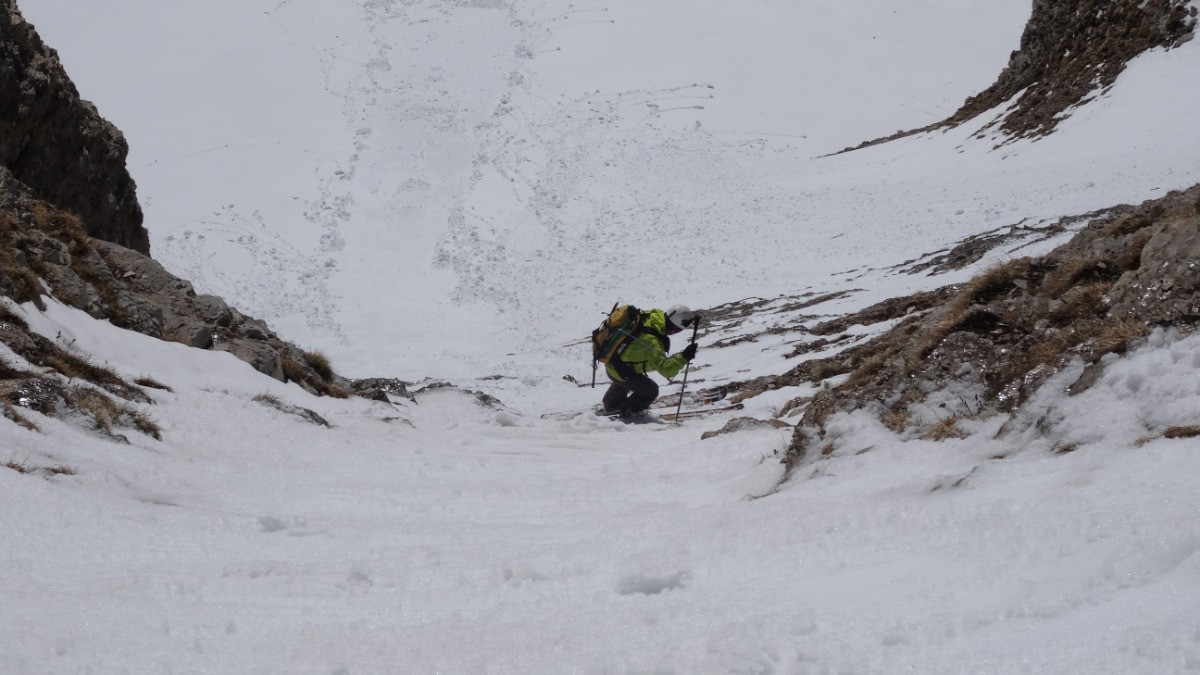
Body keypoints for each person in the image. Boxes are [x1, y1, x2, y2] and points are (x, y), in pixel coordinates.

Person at [602, 304, 700, 417]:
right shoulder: (653, 342)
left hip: (612, 362)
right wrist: (684, 357)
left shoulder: (653, 316)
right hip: (620, 370)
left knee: (625, 378)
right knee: (650, 390)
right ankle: (628, 411)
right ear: (675, 329)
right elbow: (667, 370)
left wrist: (691, 317)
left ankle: (610, 405)